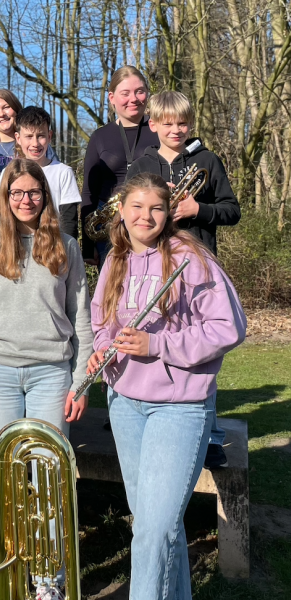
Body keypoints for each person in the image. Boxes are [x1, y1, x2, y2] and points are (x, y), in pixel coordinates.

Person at [89, 172, 245, 600]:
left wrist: (156, 344)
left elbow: (229, 327)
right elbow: (102, 321)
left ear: (169, 212)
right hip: (124, 403)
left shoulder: (190, 258)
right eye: (137, 207)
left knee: (154, 530)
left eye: (156, 208)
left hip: (178, 407)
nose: (146, 216)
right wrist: (103, 350)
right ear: (121, 211)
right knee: (156, 526)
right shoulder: (116, 258)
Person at [0, 158, 92, 600]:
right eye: (17, 192)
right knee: (0, 476)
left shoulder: (66, 246)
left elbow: (82, 319)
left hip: (51, 373)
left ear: (45, 196)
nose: (25, 199)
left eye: (33, 192)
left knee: (48, 475)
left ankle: (49, 578)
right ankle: (2, 570)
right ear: (5, 197)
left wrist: (80, 383)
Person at [125, 90, 242, 470]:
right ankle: (154, 416)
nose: (176, 130)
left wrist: (197, 208)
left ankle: (210, 436)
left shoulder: (207, 160)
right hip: (155, 268)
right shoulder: (142, 164)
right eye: (168, 123)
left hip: (199, 268)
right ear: (153, 124)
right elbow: (130, 214)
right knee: (160, 343)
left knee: (202, 353)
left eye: (182, 123)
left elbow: (232, 210)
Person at [80, 66, 158, 266]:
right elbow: (89, 192)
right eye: (125, 93)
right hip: (109, 230)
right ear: (112, 97)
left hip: (153, 224)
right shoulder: (100, 137)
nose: (134, 99)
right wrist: (88, 247)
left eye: (139, 91)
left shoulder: (161, 130)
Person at [0, 106, 81, 240]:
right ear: (18, 138)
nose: (35, 143)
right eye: (29, 136)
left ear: (49, 136)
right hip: (15, 243)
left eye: (41, 136)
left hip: (52, 243)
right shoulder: (8, 172)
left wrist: (67, 248)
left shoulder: (63, 172)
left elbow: (69, 221)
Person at [0, 89, 55, 187]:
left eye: (6, 107)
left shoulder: (38, 146)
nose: (1, 114)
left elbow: (54, 177)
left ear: (16, 109)